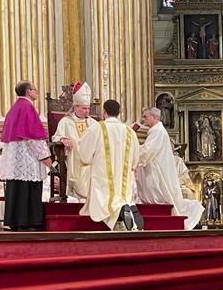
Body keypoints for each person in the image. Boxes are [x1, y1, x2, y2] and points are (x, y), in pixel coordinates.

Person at [136, 106, 204, 230]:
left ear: (154, 117)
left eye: (145, 116)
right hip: (156, 168)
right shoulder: (157, 131)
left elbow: (147, 151)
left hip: (157, 170)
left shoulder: (158, 131)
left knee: (157, 193)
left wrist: (133, 151)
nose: (143, 119)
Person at [77, 99, 139, 230]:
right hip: (123, 176)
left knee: (104, 201)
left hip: (102, 175)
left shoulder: (97, 128)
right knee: (121, 197)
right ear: (119, 113)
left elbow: (85, 154)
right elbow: (135, 160)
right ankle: (124, 208)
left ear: (104, 112)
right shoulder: (129, 131)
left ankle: (117, 213)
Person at [1, 80, 52, 231]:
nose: (36, 92)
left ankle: (15, 221)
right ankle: (29, 222)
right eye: (35, 89)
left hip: (15, 156)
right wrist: (45, 157)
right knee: (29, 188)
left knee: (17, 188)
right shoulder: (27, 107)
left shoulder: (14, 108)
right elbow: (33, 136)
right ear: (28, 91)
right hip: (27, 157)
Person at [51, 81, 98, 201]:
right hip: (73, 158)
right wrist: (63, 138)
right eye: (84, 108)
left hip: (92, 160)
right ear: (76, 107)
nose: (87, 111)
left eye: (88, 108)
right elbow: (55, 137)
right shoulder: (66, 121)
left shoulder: (93, 123)